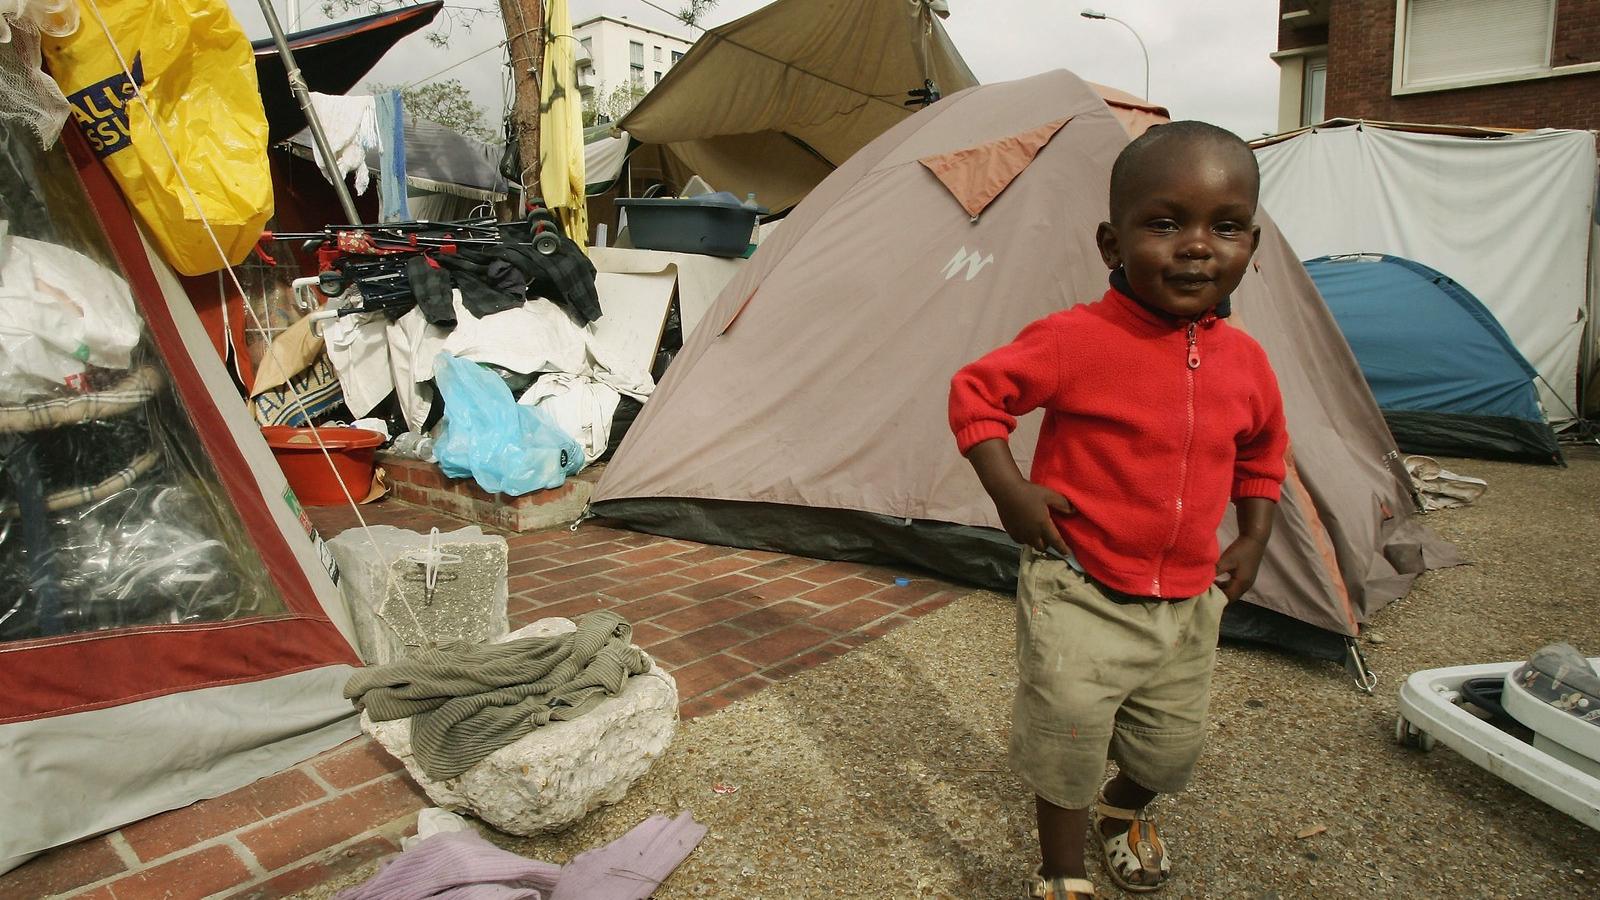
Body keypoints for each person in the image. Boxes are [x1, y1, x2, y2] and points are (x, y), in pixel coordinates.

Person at [947, 121, 1289, 900]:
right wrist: (1010, 490)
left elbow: (1264, 448)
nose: (1198, 246)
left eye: (1225, 226)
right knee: (1068, 736)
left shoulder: (1248, 362)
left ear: (1252, 244)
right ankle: (1063, 872)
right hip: (1082, 584)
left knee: (1171, 750)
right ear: (1112, 244)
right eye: (1165, 223)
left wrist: (1256, 532)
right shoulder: (1076, 339)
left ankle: (1121, 809)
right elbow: (976, 393)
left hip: (1189, 600)